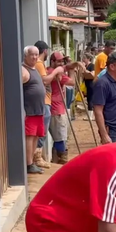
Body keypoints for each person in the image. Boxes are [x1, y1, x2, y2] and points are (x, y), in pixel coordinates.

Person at [22, 46, 54, 174]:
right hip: (29, 111)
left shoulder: (34, 69)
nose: (35, 57)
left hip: (38, 110)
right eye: (32, 55)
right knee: (30, 137)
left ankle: (32, 162)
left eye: (36, 55)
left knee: (36, 137)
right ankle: (29, 164)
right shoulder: (23, 70)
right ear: (25, 56)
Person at [48, 52, 83, 164]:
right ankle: (61, 161)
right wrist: (72, 71)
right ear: (52, 61)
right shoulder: (55, 73)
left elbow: (66, 67)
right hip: (56, 109)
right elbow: (72, 83)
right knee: (60, 137)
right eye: (58, 61)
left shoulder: (52, 70)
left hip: (57, 107)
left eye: (62, 61)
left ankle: (56, 160)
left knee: (60, 136)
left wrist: (71, 64)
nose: (61, 63)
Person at [33, 40, 62, 169]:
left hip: (45, 101)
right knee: (42, 131)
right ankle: (37, 157)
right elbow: (45, 81)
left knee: (41, 130)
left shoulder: (38, 64)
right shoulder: (39, 63)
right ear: (45, 51)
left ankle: (37, 157)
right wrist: (56, 72)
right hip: (44, 101)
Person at [82, 53, 96, 120]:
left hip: (91, 84)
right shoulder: (86, 66)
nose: (83, 60)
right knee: (88, 99)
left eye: (84, 58)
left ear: (88, 59)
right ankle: (89, 115)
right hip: (87, 84)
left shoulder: (92, 65)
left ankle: (90, 116)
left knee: (90, 99)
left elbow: (93, 74)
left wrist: (85, 69)